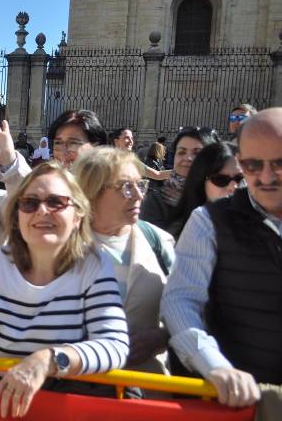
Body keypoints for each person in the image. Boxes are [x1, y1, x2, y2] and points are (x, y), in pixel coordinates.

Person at [0, 161, 129, 418]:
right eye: (29, 204)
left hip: (50, 406)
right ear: (18, 217)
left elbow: (114, 345)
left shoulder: (93, 265)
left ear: (77, 216)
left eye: (56, 202)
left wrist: (46, 361)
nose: (42, 211)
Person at [160, 108, 282, 411]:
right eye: (253, 166)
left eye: (279, 164)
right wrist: (215, 366)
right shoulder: (208, 221)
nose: (266, 177)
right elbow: (180, 302)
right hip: (244, 402)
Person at [73, 147, 174, 375]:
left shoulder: (158, 240)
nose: (139, 195)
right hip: (80, 392)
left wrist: (159, 338)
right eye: (127, 187)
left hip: (148, 390)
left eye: (141, 185)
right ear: (93, 191)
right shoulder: (62, 245)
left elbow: (186, 307)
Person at [140, 126, 219, 232]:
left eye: (197, 153)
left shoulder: (227, 192)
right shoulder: (158, 200)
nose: (188, 158)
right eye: (181, 152)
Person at [166, 142, 242, 240]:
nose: (233, 187)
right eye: (220, 179)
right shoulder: (177, 235)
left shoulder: (258, 225)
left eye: (239, 178)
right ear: (200, 182)